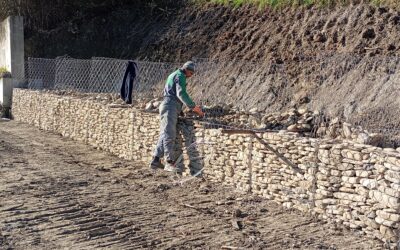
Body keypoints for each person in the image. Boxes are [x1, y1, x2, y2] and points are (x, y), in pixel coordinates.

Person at [149, 61, 204, 173]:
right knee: (169, 133)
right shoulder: (180, 76)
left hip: (169, 105)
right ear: (188, 71)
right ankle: (169, 162)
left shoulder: (174, 74)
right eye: (191, 74)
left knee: (164, 133)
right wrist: (193, 107)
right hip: (170, 106)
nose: (191, 76)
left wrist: (180, 111)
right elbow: (181, 93)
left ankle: (155, 160)